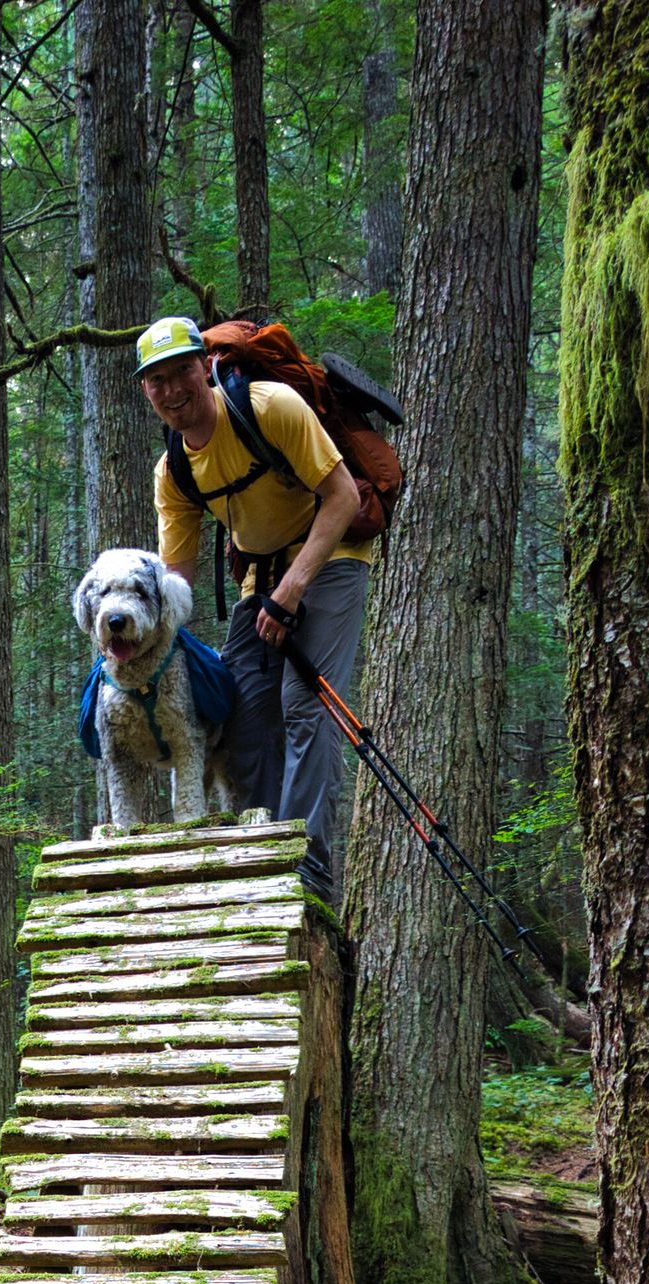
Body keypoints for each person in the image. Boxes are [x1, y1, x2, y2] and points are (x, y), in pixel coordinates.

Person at [138, 315, 371, 898]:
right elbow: (177, 580)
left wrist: (292, 591)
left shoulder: (270, 407)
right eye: (156, 381)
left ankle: (305, 868)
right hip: (261, 579)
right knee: (241, 717)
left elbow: (342, 497)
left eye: (181, 372)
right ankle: (264, 853)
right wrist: (137, 648)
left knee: (306, 706)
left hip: (334, 550)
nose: (173, 390)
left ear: (205, 367)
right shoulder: (174, 470)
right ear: (146, 391)